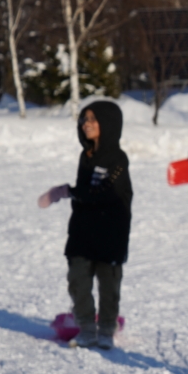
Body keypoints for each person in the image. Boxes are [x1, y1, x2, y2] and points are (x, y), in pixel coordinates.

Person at [38, 100, 133, 350]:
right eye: (84, 119)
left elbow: (102, 192)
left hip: (111, 232)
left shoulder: (118, 159)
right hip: (83, 230)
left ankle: (106, 327)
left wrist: (66, 191)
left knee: (108, 285)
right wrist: (66, 192)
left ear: (108, 124)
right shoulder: (86, 156)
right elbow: (86, 191)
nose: (86, 124)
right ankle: (87, 327)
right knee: (77, 279)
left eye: (93, 119)